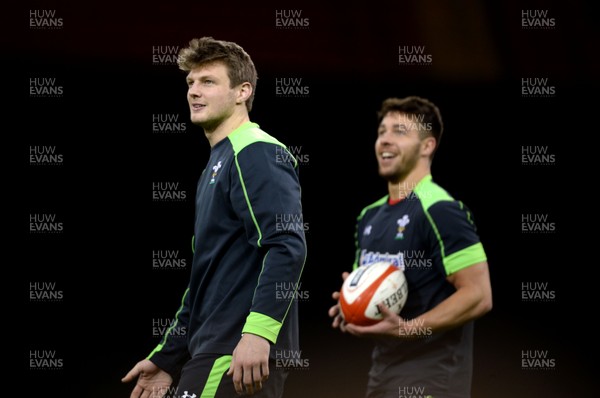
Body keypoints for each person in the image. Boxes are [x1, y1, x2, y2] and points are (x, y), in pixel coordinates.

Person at [122, 37, 307, 398]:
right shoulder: (217, 163)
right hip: (213, 349)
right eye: (190, 82)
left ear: (242, 91)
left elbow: (287, 246)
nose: (194, 91)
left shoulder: (256, 151)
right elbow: (205, 276)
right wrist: (168, 357)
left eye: (208, 81)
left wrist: (258, 334)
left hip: (236, 352)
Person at [328, 96, 492, 398]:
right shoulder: (369, 216)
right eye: (381, 131)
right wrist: (352, 304)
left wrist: (408, 328)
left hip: (433, 378)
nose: (385, 140)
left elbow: (479, 295)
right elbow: (380, 291)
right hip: (381, 374)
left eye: (399, 131)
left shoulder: (440, 209)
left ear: (427, 146)